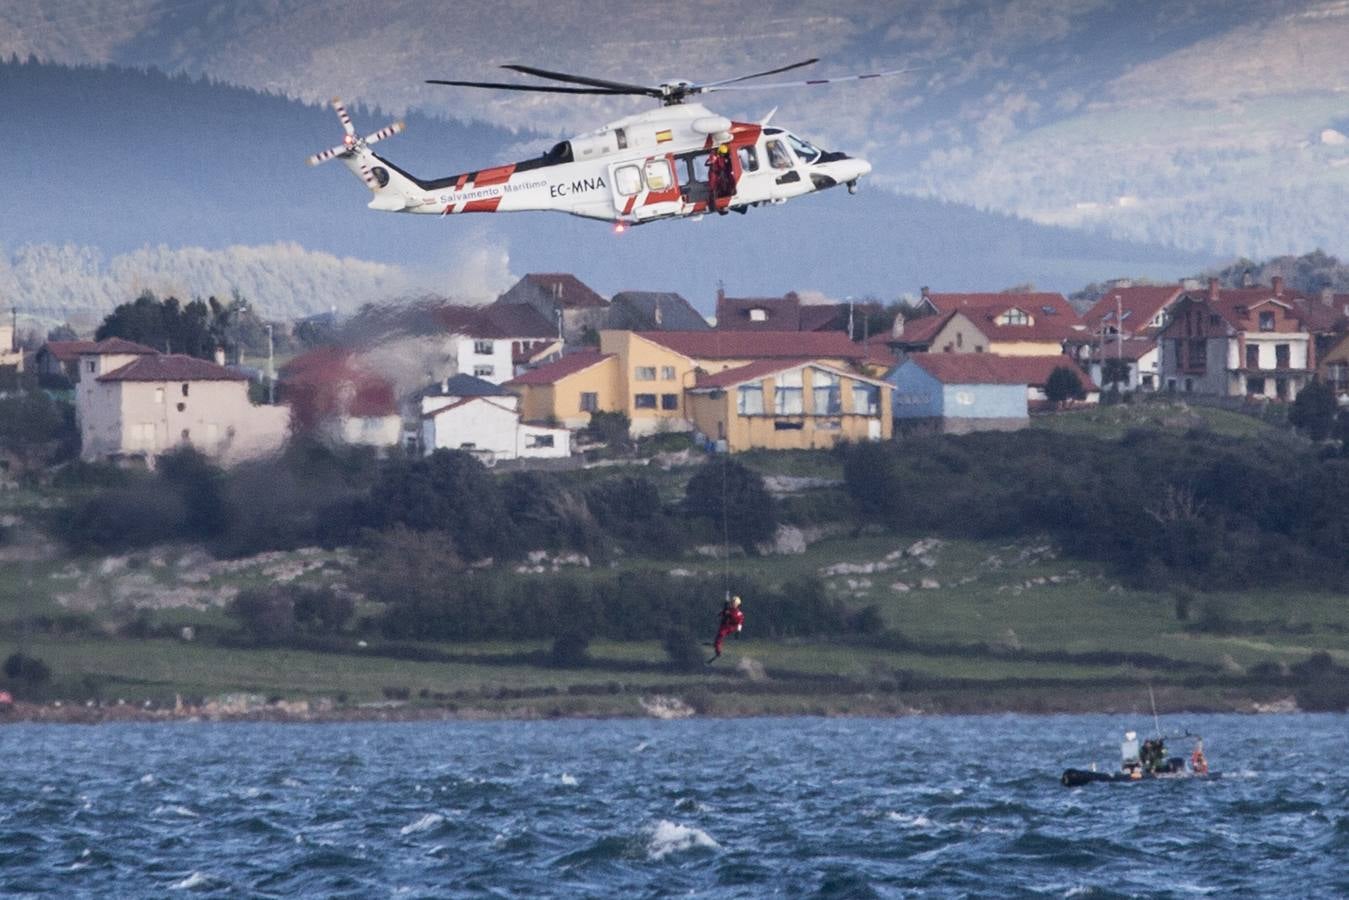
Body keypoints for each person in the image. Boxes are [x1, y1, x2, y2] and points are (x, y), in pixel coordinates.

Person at [708, 595, 744, 662]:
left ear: (737, 605)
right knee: (719, 636)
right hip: (724, 625)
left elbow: (740, 623)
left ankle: (717, 649)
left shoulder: (739, 614)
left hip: (730, 627)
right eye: (732, 603)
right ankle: (716, 646)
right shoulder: (728, 610)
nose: (732, 604)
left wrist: (738, 632)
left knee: (721, 635)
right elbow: (720, 614)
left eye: (734, 603)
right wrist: (723, 612)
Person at [707, 144, 735, 213]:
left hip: (719, 176)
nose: (723, 155)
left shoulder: (716, 159)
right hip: (720, 176)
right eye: (722, 154)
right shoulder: (718, 160)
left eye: (724, 154)